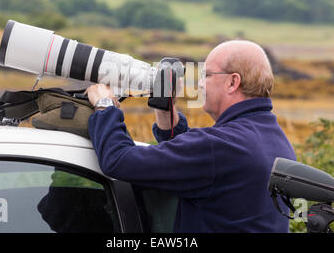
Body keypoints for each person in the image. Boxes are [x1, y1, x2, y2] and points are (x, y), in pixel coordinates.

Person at [85, 40, 297, 232]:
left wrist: (105, 105)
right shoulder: (276, 140)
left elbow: (119, 160)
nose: (200, 84)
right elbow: (196, 164)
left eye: (207, 75)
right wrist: (165, 107)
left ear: (233, 82)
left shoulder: (219, 147)